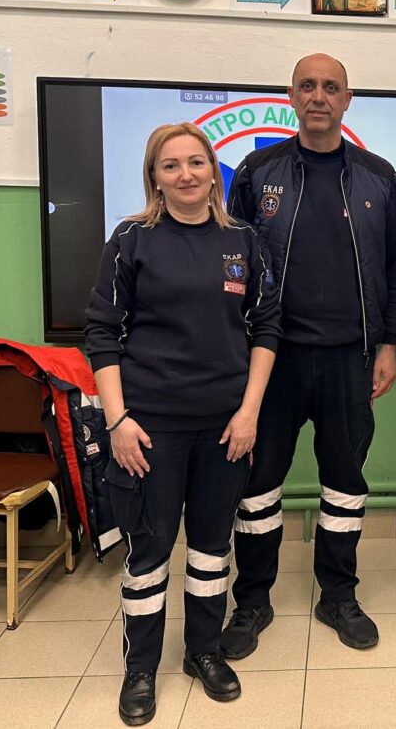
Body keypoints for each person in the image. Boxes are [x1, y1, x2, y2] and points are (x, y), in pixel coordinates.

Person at [84, 122, 280, 726]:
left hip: (225, 429)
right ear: (155, 177)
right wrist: (117, 421)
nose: (186, 174)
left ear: (212, 170)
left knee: (211, 548)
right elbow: (101, 333)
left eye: (196, 162)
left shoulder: (244, 240)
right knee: (149, 551)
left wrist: (249, 413)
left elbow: (266, 329)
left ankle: (202, 652)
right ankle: (141, 668)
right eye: (171, 165)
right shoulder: (131, 241)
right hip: (148, 430)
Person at [222, 53, 396, 656]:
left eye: (331, 87)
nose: (319, 96)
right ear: (291, 96)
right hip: (272, 361)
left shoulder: (380, 177)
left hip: (350, 360)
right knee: (257, 485)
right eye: (308, 86)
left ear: (348, 99)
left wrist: (389, 343)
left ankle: (339, 595)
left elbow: (395, 266)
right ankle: (252, 601)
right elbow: (231, 262)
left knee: (345, 483)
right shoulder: (257, 171)